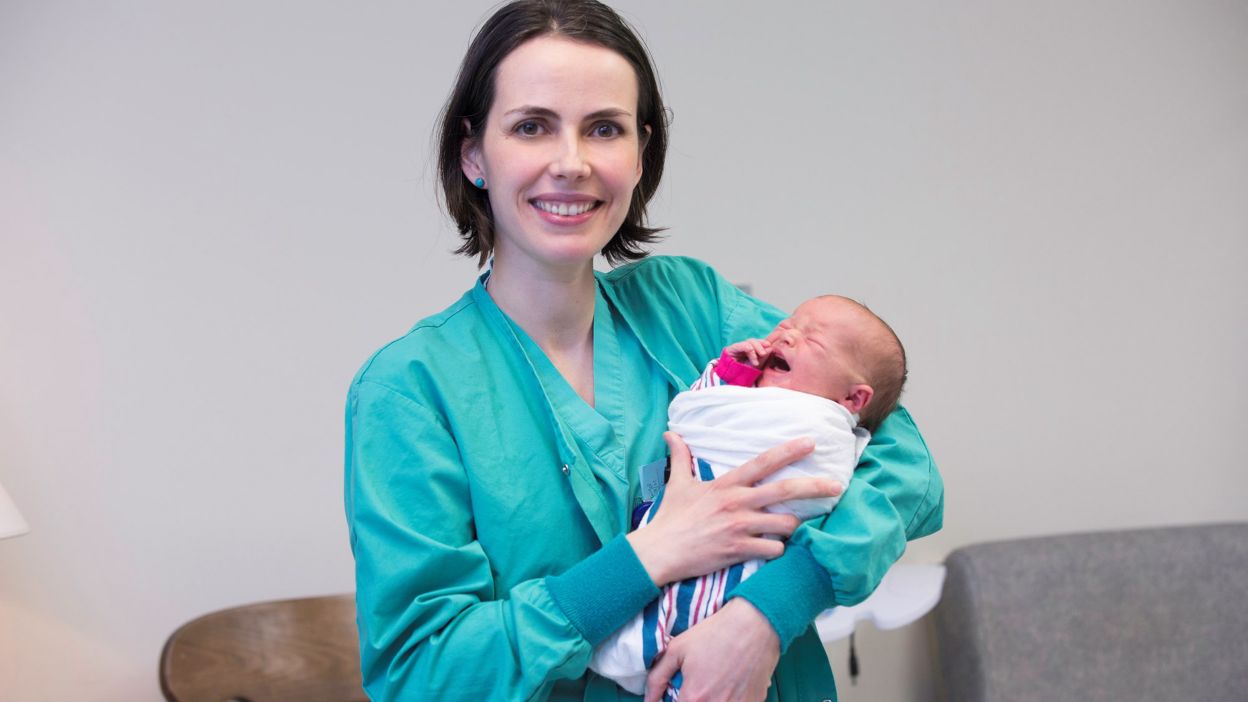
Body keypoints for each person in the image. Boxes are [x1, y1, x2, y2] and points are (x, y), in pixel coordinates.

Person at [343, 1, 944, 700]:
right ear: (473, 153)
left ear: (640, 152)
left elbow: (903, 462)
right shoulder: (411, 389)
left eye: (604, 129)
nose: (571, 164)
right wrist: (648, 556)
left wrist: (766, 613)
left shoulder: (693, 307)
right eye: (532, 126)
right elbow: (422, 671)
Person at [589, 295, 908, 696]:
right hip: (674, 531)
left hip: (750, 555)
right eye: (789, 323)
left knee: (701, 610)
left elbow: (896, 474)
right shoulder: (748, 393)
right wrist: (732, 372)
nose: (787, 333)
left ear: (853, 399)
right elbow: (699, 411)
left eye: (813, 339)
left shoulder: (823, 427)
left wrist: (775, 603)